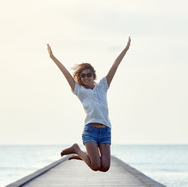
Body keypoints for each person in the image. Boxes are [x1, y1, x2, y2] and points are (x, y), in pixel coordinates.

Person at [47, 37, 131, 172]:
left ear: (94, 75)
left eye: (89, 74)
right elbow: (65, 73)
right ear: (80, 78)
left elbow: (115, 66)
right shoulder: (79, 90)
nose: (86, 77)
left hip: (105, 130)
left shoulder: (103, 86)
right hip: (90, 131)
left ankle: (84, 155)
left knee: (105, 167)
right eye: (82, 75)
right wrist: (53, 57)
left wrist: (125, 49)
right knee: (96, 166)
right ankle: (77, 150)